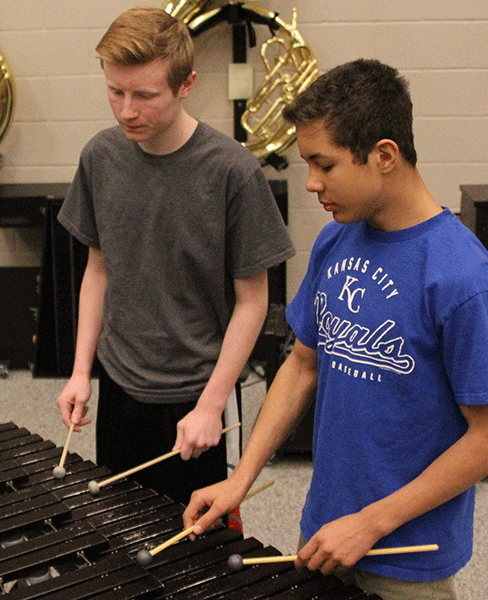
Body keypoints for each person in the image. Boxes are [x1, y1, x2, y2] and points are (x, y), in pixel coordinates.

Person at [182, 59, 488, 600]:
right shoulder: (337, 241)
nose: (311, 183)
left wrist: (372, 522)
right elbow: (302, 365)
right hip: (326, 528)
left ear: (383, 155)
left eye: (324, 165)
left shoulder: (462, 279)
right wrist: (239, 480)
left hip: (406, 552)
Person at [54, 6, 295, 506]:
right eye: (114, 92)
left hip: (195, 394)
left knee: (192, 545)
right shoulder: (100, 157)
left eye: (144, 95)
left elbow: (253, 303)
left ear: (186, 85)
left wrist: (213, 404)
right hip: (119, 380)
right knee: (119, 526)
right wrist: (81, 372)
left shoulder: (232, 172)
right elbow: (98, 271)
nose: (126, 111)